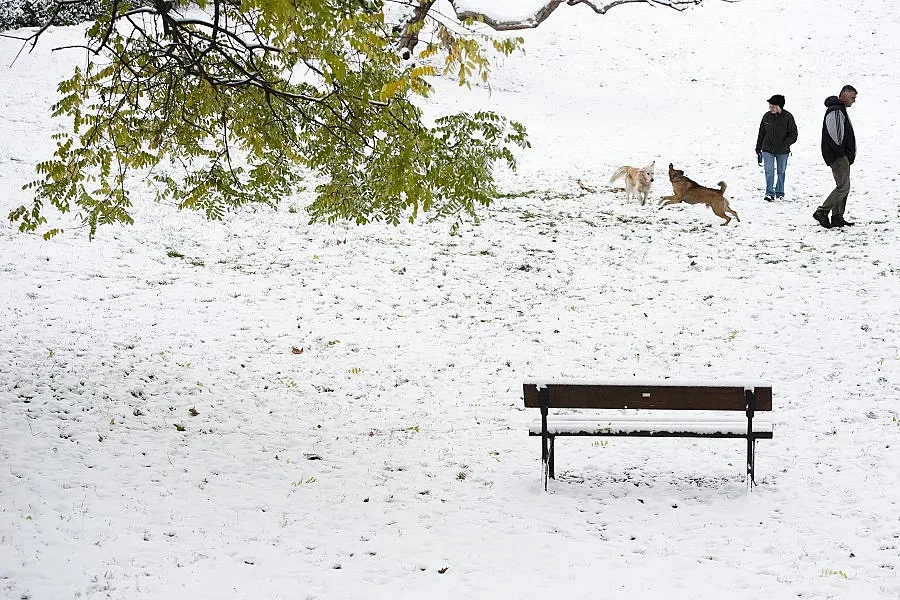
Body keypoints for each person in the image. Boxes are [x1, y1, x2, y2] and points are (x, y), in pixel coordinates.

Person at [814, 85, 858, 228]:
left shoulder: (838, 109)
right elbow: (836, 133)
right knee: (843, 187)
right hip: (838, 155)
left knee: (843, 186)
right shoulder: (836, 110)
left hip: (840, 155)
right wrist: (841, 153)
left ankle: (837, 216)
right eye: (853, 97)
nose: (854, 101)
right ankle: (822, 211)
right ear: (844, 95)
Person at [755, 94, 798, 202]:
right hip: (767, 149)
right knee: (769, 171)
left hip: (782, 150)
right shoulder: (766, 116)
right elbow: (761, 133)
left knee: (781, 171)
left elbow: (793, 134)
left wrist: (785, 144)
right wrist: (758, 148)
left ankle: (779, 192)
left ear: (780, 106)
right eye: (770, 106)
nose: (770, 108)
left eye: (773, 106)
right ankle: (769, 193)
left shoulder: (788, 117)